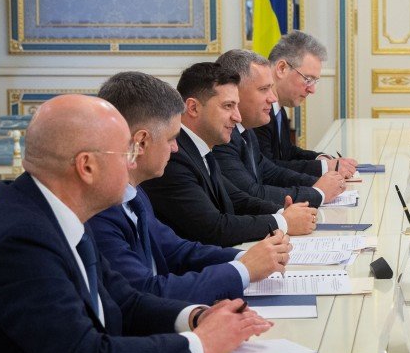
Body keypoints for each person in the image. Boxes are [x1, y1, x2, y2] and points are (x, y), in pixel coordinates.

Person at [0, 95, 271, 353]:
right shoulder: (21, 238)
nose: (133, 160)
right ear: (86, 166)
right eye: (126, 151)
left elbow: (124, 300)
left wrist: (197, 316)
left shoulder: (55, 209)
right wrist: (200, 344)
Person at [89, 72, 291, 305]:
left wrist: (248, 258)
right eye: (171, 138)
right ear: (141, 142)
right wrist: (243, 269)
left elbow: (176, 251)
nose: (175, 148)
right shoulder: (100, 209)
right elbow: (144, 292)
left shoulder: (135, 193)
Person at [142, 62, 317, 247]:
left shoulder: (201, 147)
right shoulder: (173, 155)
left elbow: (237, 199)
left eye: (237, 106)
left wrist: (283, 212)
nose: (237, 117)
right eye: (228, 106)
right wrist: (283, 222)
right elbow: (214, 228)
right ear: (193, 108)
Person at [212, 50, 346, 208]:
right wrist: (317, 193)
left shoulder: (245, 130)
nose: (273, 98)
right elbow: (251, 194)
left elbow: (271, 173)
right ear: (234, 91)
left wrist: (322, 182)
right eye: (264, 89)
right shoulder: (221, 137)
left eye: (271, 88)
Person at [255, 30, 356, 177]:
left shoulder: (279, 109)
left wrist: (321, 159)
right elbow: (268, 169)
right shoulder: (258, 111)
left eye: (315, 81)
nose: (312, 90)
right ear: (282, 68)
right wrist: (324, 167)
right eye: (308, 79)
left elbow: (288, 152)